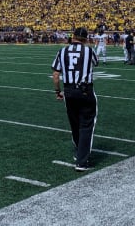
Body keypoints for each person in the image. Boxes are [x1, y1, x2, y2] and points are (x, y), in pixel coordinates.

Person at [52, 27, 99, 172]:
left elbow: (55, 74)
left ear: (73, 37)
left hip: (69, 91)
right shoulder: (88, 51)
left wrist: (58, 91)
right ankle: (82, 161)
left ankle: (79, 152)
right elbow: (95, 63)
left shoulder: (62, 51)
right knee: (86, 124)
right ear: (85, 38)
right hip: (85, 90)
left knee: (75, 123)